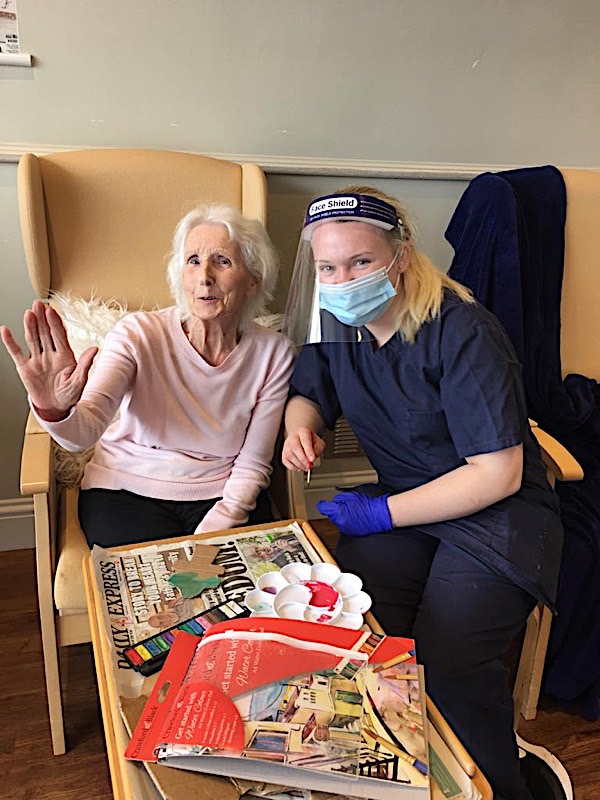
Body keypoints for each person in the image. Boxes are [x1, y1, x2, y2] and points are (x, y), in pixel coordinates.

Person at [281, 187, 566, 800]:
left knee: (448, 660)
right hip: (407, 507)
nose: (343, 282)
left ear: (401, 254)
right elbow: (310, 390)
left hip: (497, 517)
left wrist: (381, 514)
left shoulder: (463, 331)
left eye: (361, 262)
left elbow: (497, 473)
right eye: (328, 268)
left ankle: (502, 784)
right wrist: (300, 426)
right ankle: (411, 773)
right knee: (362, 631)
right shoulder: (336, 322)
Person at [1, 204, 294, 547]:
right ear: (180, 275)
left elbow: (254, 463)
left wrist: (212, 534)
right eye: (193, 261)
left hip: (222, 492)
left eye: (222, 261)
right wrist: (54, 409)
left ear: (253, 280)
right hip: (125, 490)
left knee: (250, 577)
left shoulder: (274, 352)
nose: (204, 277)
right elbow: (84, 432)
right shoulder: (137, 334)